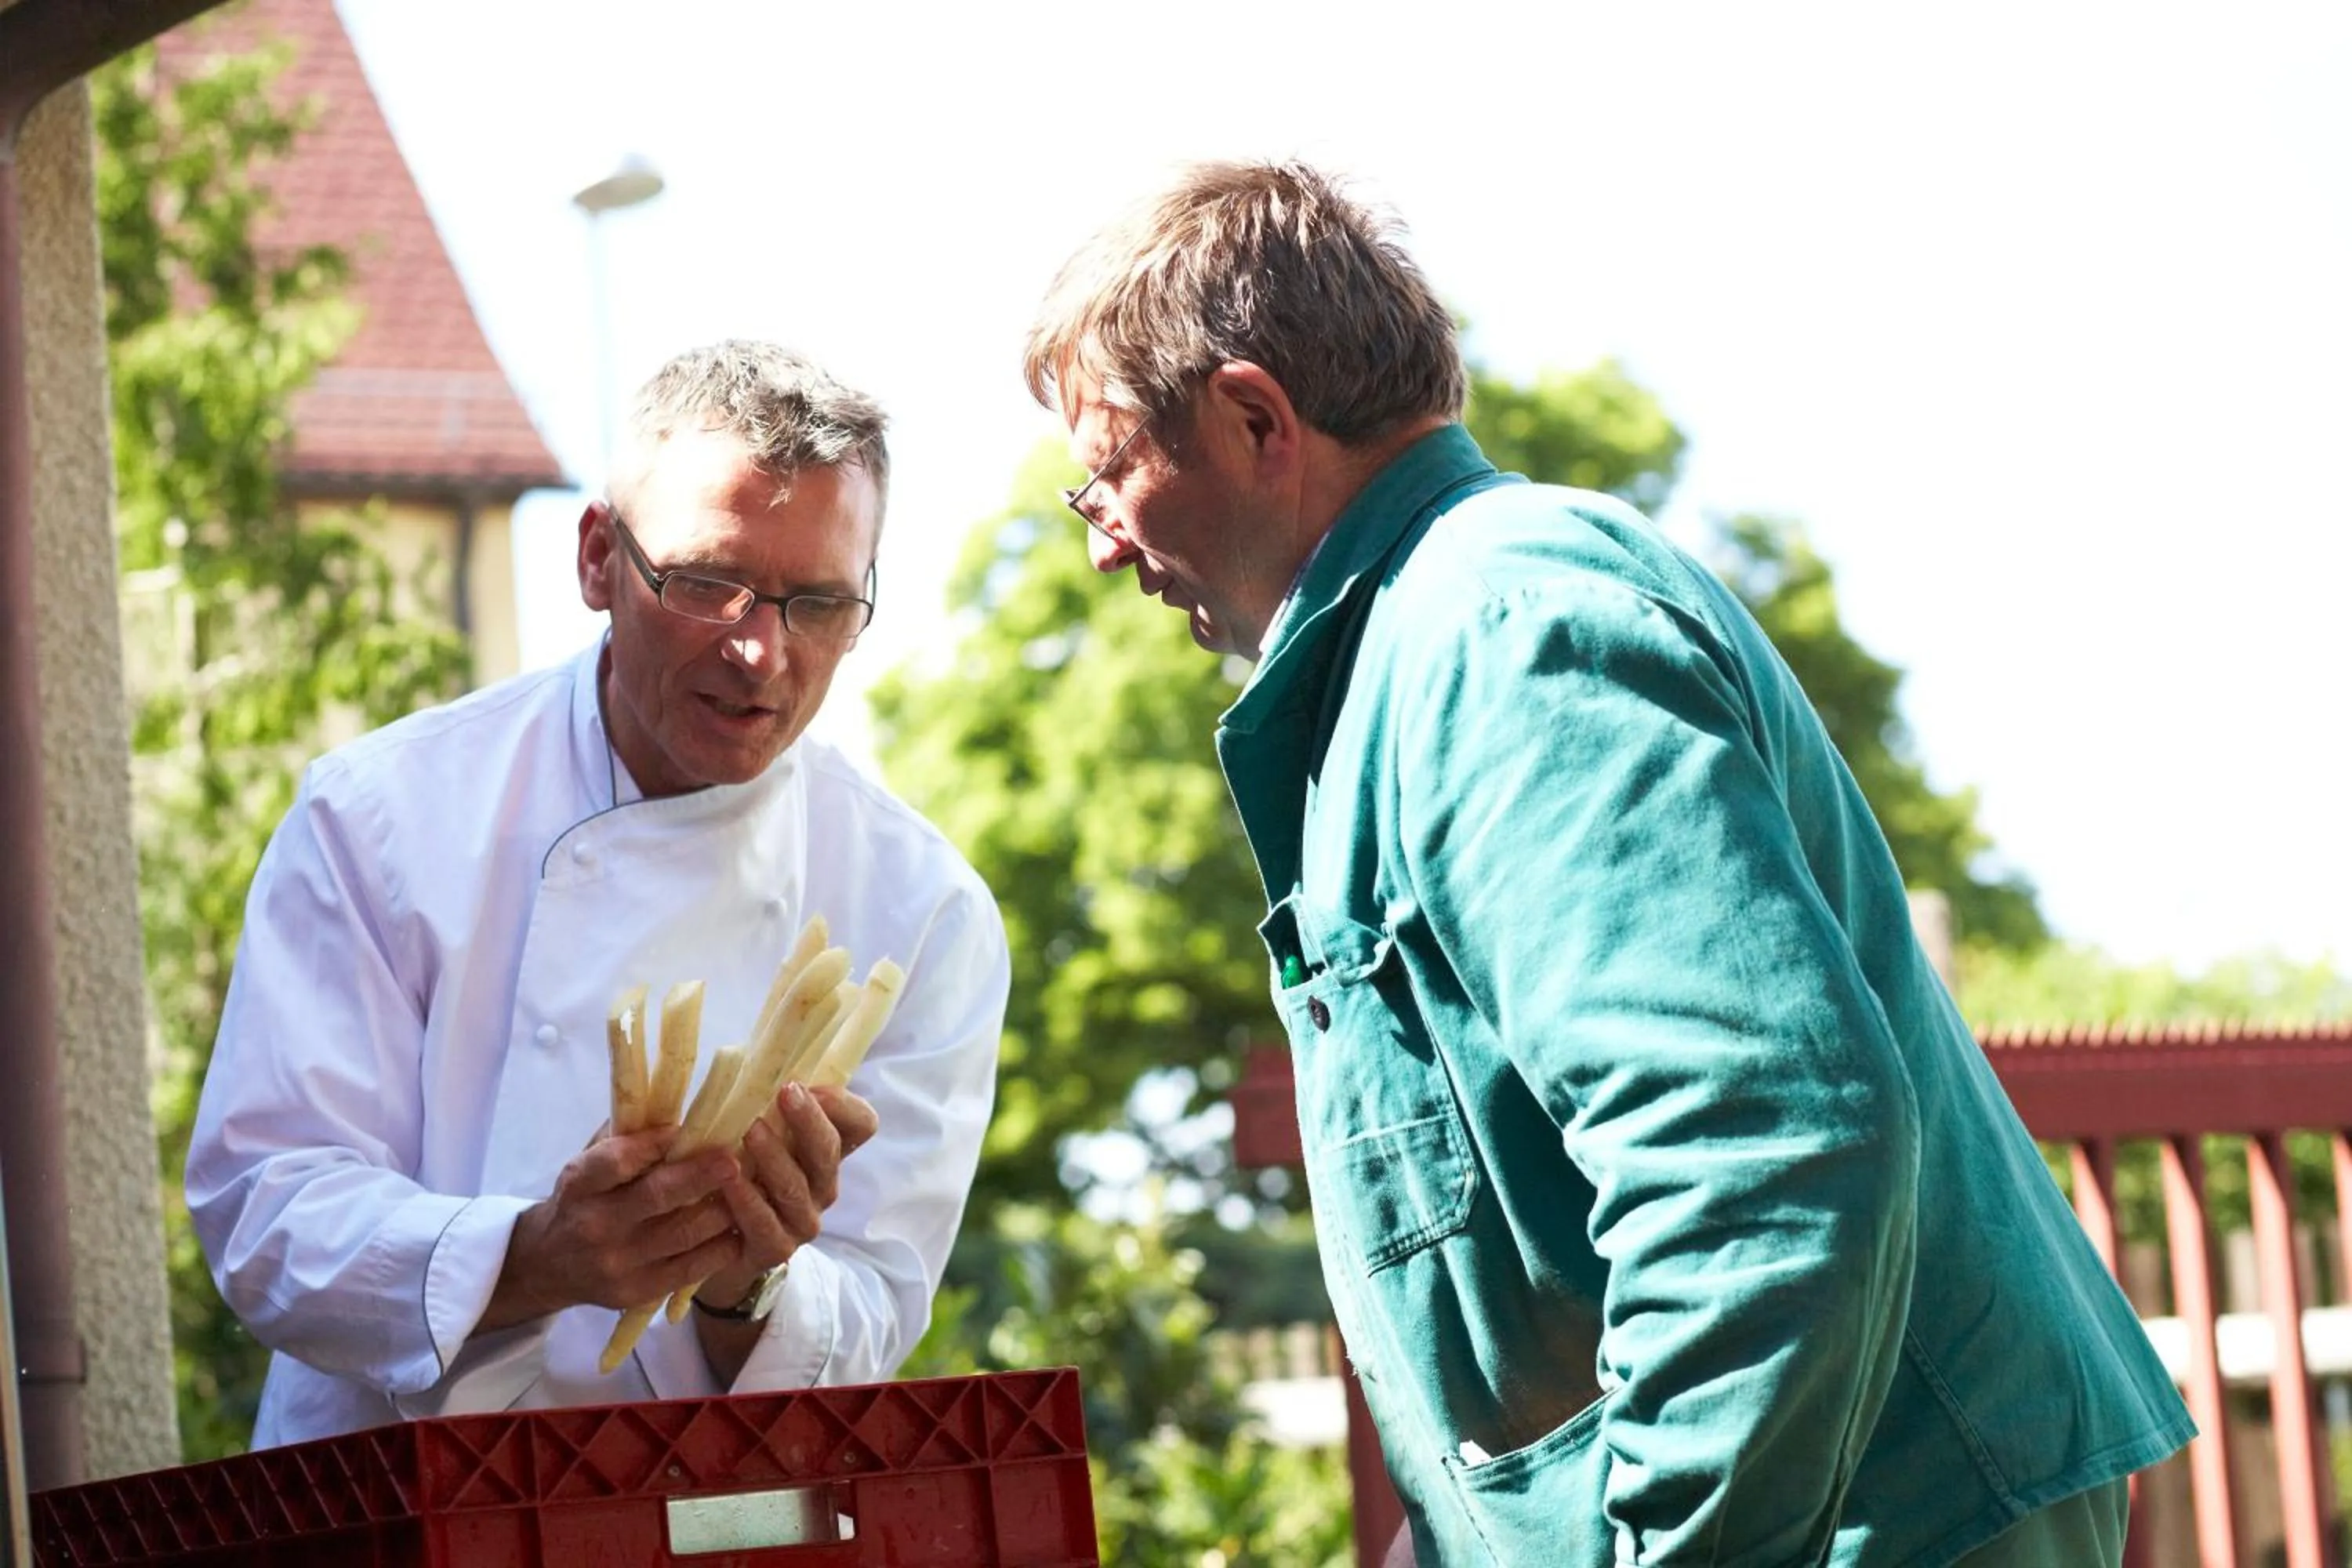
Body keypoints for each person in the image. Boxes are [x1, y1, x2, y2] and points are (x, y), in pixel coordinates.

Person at [1025, 162, 2190, 1566]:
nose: (1103, 546)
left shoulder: (1495, 633)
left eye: (1104, 477)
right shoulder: (1435, 635)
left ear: (1256, 419)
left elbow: (1761, 1156)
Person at [187, 341, 1007, 1446]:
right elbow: (267, 1211)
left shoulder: (923, 910)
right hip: (390, 1490)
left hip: (699, 1506)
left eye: (817, 602)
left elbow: (874, 1303)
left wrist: (748, 1280)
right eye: (708, 582)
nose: (761, 651)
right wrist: (538, 1259)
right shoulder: (383, 816)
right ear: (597, 561)